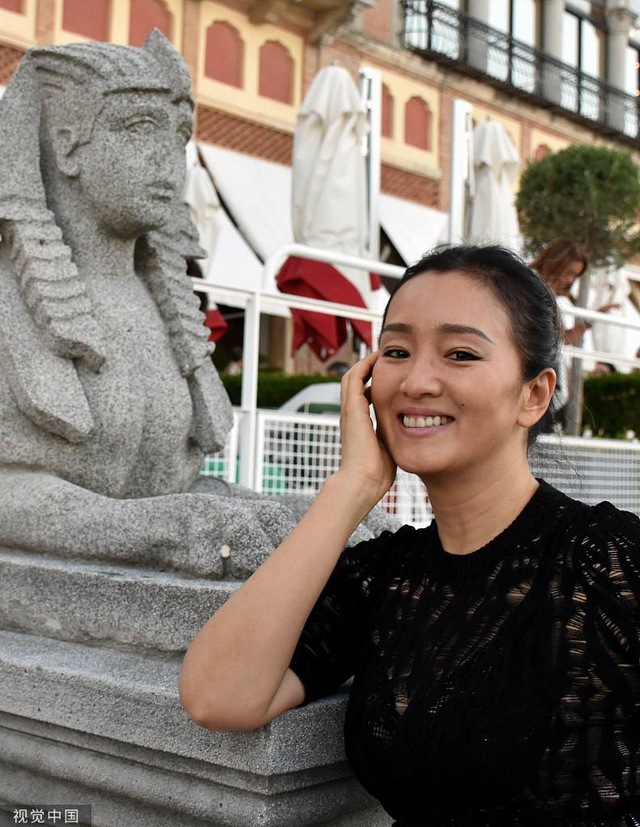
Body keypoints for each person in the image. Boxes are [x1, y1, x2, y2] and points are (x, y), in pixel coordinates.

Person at [179, 246, 640, 827]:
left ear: (534, 395)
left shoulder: (606, 561)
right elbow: (218, 695)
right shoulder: (384, 579)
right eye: (396, 352)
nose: (417, 381)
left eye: (460, 353)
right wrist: (352, 487)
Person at [529, 239, 619, 426]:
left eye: (575, 276)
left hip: (543, 387)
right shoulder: (531, 288)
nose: (571, 280)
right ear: (557, 263)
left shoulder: (543, 292)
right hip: (534, 379)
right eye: (570, 272)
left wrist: (592, 319)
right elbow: (553, 338)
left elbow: (560, 338)